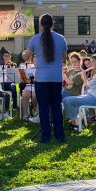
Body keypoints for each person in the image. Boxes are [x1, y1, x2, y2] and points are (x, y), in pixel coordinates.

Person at [22, 14, 67, 143]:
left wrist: (24, 52)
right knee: (56, 107)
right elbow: (64, 58)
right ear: (53, 24)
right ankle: (60, 136)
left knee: (43, 107)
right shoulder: (61, 39)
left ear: (40, 25)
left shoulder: (35, 39)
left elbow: (26, 57)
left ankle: (46, 136)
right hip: (56, 78)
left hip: (41, 79)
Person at [63, 55, 96, 131]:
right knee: (65, 99)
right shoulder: (95, 71)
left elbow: (87, 86)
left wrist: (83, 76)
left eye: (93, 61)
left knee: (69, 100)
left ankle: (77, 124)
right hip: (91, 95)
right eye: (91, 61)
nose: (91, 63)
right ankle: (74, 122)